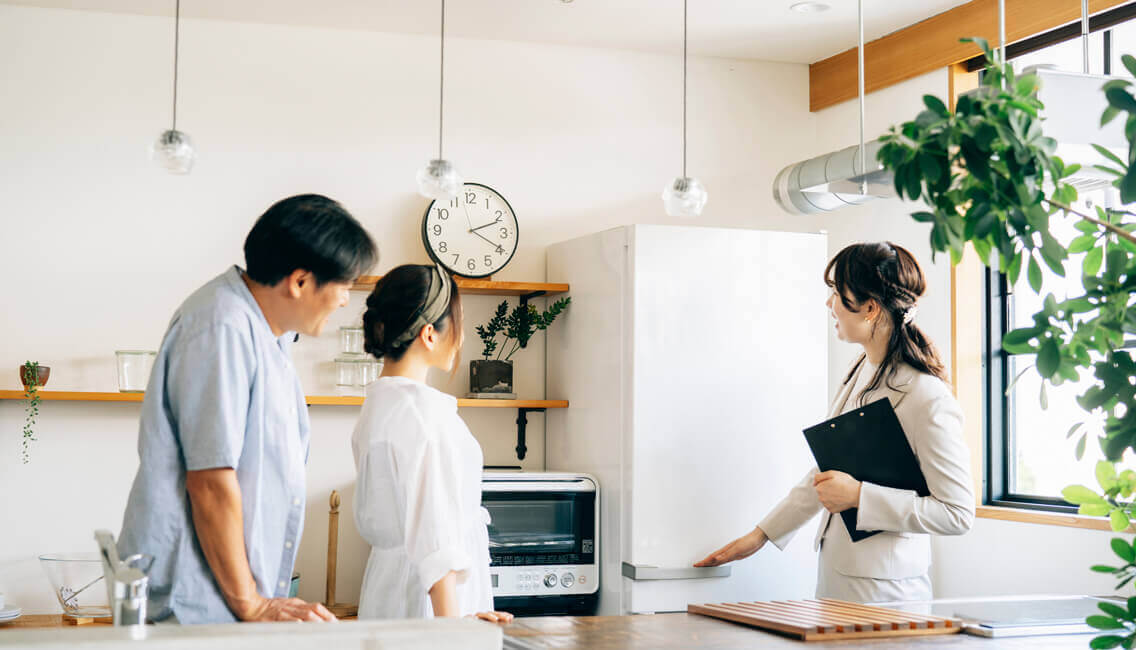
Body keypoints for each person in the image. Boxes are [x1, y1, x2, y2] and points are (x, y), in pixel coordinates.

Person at [118, 194, 378, 623]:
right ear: (299, 281)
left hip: (222, 594)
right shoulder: (221, 326)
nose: (347, 300)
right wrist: (251, 602)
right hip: (192, 597)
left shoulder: (269, 337)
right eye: (345, 286)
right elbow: (210, 481)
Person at [695, 241, 974, 603]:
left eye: (836, 294)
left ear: (870, 308)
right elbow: (829, 474)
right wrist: (761, 535)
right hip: (838, 580)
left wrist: (859, 496)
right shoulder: (860, 369)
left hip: (887, 596)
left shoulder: (928, 397)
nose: (829, 305)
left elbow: (956, 514)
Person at [351, 264, 512, 624]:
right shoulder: (422, 413)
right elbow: (434, 537)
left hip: (390, 592)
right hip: (431, 602)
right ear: (429, 334)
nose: (463, 335)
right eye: (459, 323)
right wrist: (451, 629)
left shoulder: (379, 405)